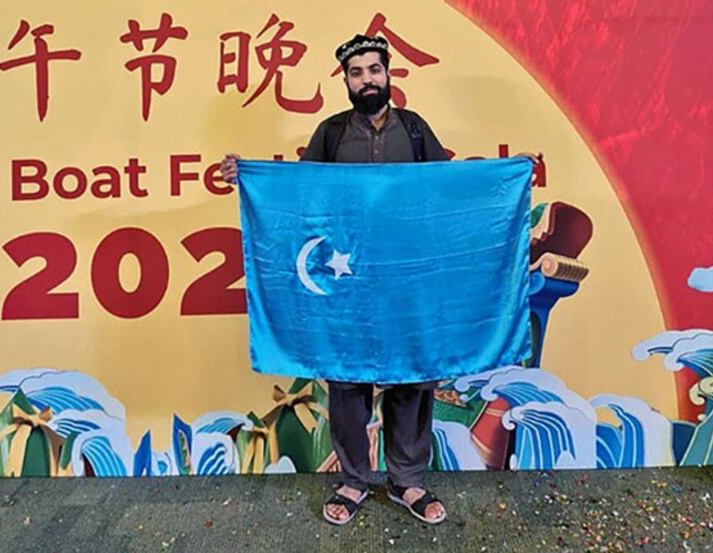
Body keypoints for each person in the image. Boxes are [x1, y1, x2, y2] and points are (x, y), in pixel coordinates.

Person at [221, 34, 539, 526]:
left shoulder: (414, 132)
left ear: (388, 75)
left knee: (413, 377)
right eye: (356, 73)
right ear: (345, 81)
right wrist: (246, 176)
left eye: (374, 70)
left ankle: (407, 481)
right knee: (346, 379)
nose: (366, 79)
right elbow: (301, 197)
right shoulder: (330, 133)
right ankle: (353, 479)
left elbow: (448, 192)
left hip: (408, 282)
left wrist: (514, 175)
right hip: (348, 287)